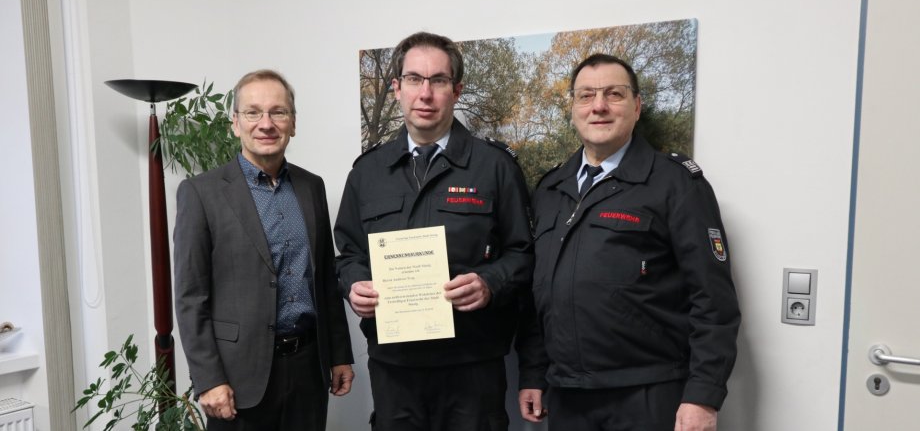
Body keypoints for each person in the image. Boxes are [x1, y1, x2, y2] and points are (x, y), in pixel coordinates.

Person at [517, 54, 741, 431]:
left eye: (614, 94)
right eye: (586, 96)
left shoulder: (675, 185)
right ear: (573, 108)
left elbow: (713, 301)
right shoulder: (551, 190)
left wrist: (703, 395)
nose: (599, 106)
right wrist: (534, 373)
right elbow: (540, 296)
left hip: (648, 395)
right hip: (567, 396)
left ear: (636, 107)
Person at [334, 32, 533, 431]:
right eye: (413, 79)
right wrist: (354, 284)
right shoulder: (367, 172)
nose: (425, 93)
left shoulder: (494, 167)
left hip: (472, 365)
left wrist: (489, 282)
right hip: (395, 368)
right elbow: (349, 254)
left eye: (438, 81)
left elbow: (524, 253)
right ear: (396, 89)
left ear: (456, 90)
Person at [173, 69, 354, 430]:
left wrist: (339, 355)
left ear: (293, 123)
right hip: (237, 378)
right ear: (235, 123)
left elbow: (325, 282)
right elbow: (190, 297)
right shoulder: (201, 193)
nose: (266, 123)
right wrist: (209, 379)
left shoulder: (311, 187)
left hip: (307, 370)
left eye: (278, 112)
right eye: (253, 112)